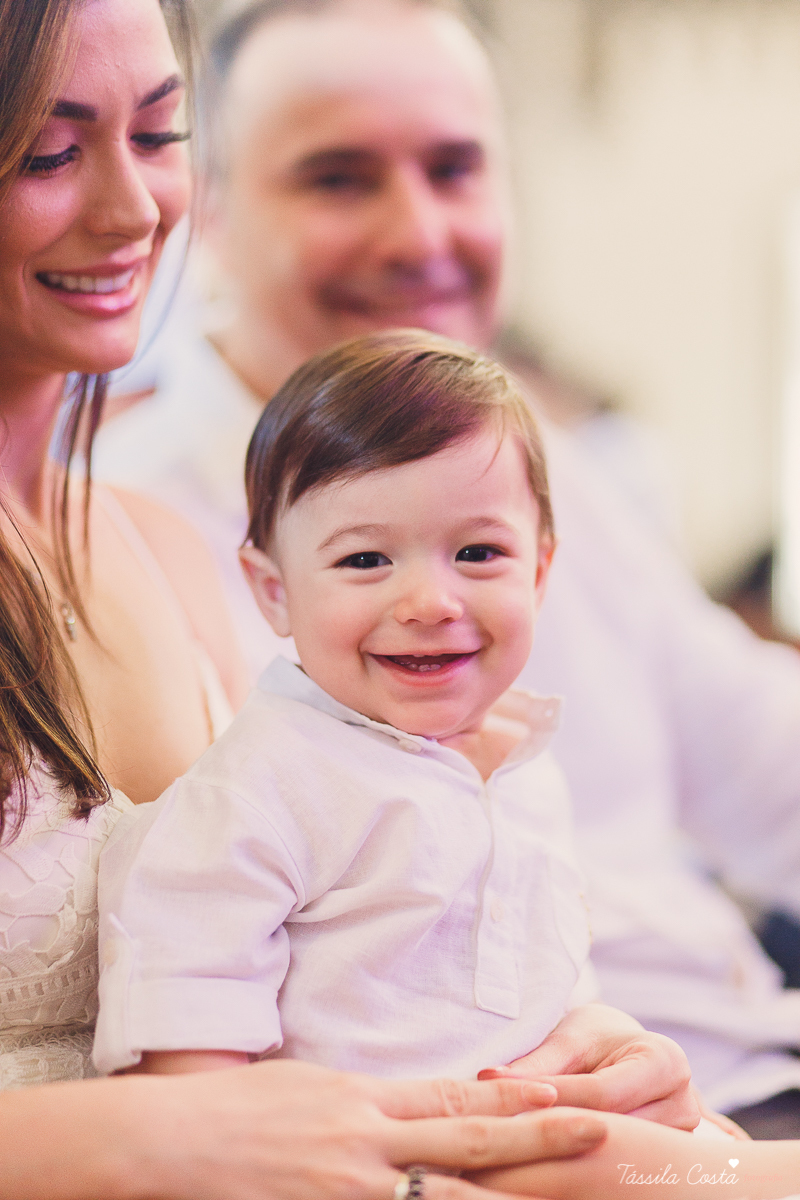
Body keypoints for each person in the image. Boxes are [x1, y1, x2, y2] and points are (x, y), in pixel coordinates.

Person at [1, 0, 674, 1195]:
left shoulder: (157, 546)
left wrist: (572, 1045)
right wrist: (177, 1132)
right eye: (48, 152)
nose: (131, 209)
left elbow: (329, 940)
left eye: (156, 138)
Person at [93, 0, 800, 1134]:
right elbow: (194, 938)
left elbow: (768, 761)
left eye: (454, 167)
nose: (417, 232)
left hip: (742, 1059)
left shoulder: (548, 471)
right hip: (494, 1129)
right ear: (209, 214)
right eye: (337, 178)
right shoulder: (129, 528)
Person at [97, 331, 800, 1200]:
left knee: (707, 1154)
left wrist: (616, 1058)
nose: (430, 602)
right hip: (372, 1167)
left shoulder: (525, 771)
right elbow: (187, 1045)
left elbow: (549, 988)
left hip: (539, 1138)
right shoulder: (263, 784)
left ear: (541, 569)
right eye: (364, 560)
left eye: (478, 554)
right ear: (273, 590)